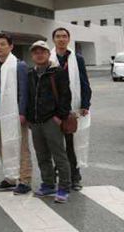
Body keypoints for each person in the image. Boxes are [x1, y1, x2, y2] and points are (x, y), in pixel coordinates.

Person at [26, 41, 72, 203]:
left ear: (48, 54)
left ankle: (64, 187)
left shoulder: (57, 72)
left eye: (42, 52)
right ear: (32, 56)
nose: (39, 55)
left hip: (52, 120)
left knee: (59, 155)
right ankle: (48, 184)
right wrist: (30, 118)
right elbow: (29, 97)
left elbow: (66, 96)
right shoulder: (30, 73)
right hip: (35, 121)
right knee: (42, 155)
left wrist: (59, 117)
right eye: (36, 52)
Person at [0, 33, 32, 195]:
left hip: (14, 115)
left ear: (11, 46)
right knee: (5, 147)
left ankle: (25, 180)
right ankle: (10, 178)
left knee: (21, 147)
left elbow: (24, 91)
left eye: (2, 44)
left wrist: (22, 112)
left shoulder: (19, 65)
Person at [50, 27, 92, 191]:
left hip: (72, 108)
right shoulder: (49, 58)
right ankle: (58, 173)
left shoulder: (77, 58)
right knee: (55, 144)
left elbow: (84, 82)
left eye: (64, 36)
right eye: (58, 36)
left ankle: (75, 177)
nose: (61, 39)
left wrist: (85, 104)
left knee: (71, 144)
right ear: (53, 39)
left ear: (68, 39)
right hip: (53, 108)